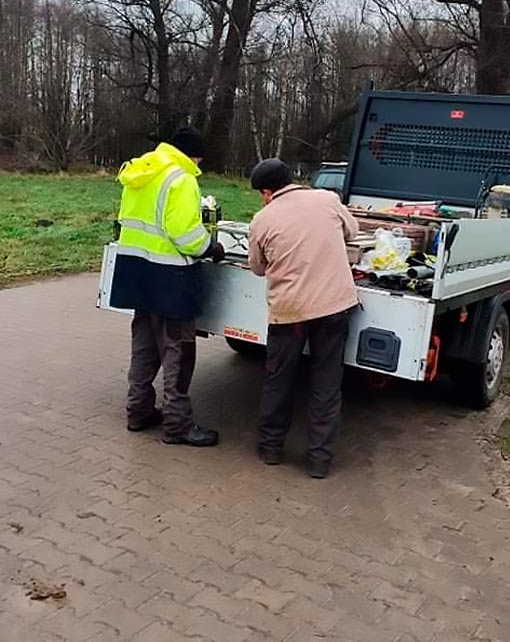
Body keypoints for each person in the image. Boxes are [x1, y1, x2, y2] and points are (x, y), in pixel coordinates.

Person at [110, 128, 224, 446]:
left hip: (136, 271)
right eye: (198, 160)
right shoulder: (181, 178)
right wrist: (210, 248)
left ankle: (138, 411)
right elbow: (185, 233)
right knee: (178, 352)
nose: (198, 166)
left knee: (144, 347)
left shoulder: (141, 171)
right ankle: (177, 426)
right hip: (171, 278)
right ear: (191, 155)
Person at [248, 158, 359, 478]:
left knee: (278, 380)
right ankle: (320, 460)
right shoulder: (327, 199)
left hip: (289, 313)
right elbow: (351, 233)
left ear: (267, 191)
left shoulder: (262, 219)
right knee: (326, 383)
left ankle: (270, 448)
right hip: (334, 307)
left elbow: (258, 267)